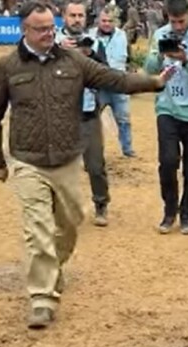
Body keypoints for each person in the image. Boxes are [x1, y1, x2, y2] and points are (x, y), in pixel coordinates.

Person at [0, 1, 173, 330]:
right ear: (23, 30)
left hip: (68, 158)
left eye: (49, 28)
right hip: (28, 161)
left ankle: (52, 270)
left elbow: (113, 79)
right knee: (38, 231)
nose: (47, 34)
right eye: (40, 29)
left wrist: (153, 82)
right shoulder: (8, 67)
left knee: (71, 224)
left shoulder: (73, 61)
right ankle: (42, 297)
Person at [144, 0, 188, 235]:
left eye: (181, 21)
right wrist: (159, 54)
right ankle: (169, 210)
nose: (177, 26)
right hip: (167, 108)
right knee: (167, 162)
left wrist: (186, 60)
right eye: (173, 21)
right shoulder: (161, 34)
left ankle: (187, 215)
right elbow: (149, 68)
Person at [56, 0, 112, 227]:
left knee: (95, 165)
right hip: (60, 114)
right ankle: (63, 209)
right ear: (64, 17)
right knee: (60, 166)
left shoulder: (95, 42)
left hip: (89, 113)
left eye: (80, 15)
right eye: (73, 15)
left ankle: (101, 204)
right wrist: (61, 52)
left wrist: (91, 55)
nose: (77, 20)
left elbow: (106, 73)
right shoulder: (52, 42)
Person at [91, 6, 136, 158]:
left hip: (118, 83)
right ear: (98, 21)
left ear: (115, 22)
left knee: (124, 118)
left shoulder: (121, 36)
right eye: (103, 20)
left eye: (110, 21)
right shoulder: (90, 36)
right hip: (98, 85)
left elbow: (124, 58)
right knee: (92, 120)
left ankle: (127, 149)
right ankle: (95, 151)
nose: (106, 24)